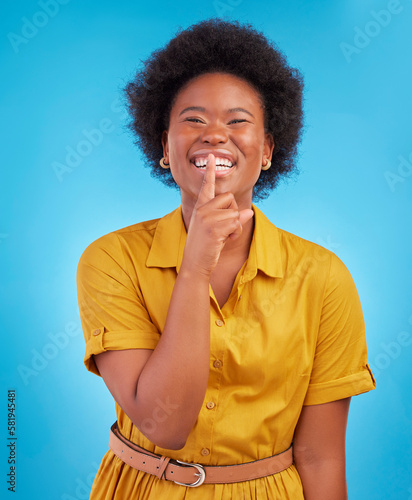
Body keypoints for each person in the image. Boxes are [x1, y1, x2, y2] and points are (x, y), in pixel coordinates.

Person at [77, 18, 376, 499]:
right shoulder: (111, 260)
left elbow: (322, 459)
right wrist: (194, 269)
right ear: (163, 147)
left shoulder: (322, 278)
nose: (215, 135)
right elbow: (167, 426)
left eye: (238, 121)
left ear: (267, 152)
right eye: (193, 119)